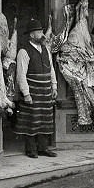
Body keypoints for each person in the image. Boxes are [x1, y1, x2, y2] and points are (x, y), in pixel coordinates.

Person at [15, 18, 58, 158]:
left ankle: (43, 148)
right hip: (32, 91)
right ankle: (31, 150)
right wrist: (26, 94)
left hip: (45, 91)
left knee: (45, 120)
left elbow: (51, 69)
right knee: (32, 121)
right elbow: (21, 74)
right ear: (32, 35)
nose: (42, 34)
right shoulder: (23, 51)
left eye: (41, 31)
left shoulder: (46, 49)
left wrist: (54, 86)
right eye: (39, 32)